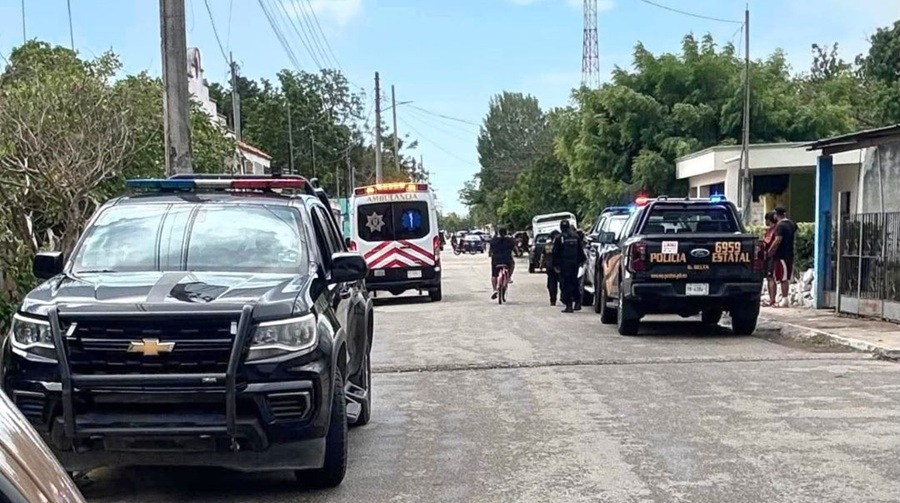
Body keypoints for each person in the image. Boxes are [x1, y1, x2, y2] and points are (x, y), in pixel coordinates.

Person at [552, 220, 586, 313]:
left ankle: (569, 305)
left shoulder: (559, 238)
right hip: (574, 265)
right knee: (574, 283)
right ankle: (578, 302)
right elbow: (580, 251)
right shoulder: (576, 236)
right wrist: (581, 262)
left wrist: (555, 265)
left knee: (565, 285)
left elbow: (555, 252)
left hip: (564, 266)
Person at [767, 206, 796, 308]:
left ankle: (784, 299)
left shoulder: (780, 226)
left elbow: (777, 240)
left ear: (776, 214)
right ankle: (784, 298)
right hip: (790, 253)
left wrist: (770, 251)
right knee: (785, 276)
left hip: (781, 255)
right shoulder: (792, 224)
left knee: (783, 277)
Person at [489, 227, 516, 299]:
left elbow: (490, 251)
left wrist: (491, 254)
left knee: (494, 274)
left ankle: (494, 289)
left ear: (499, 233)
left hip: (496, 260)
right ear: (506, 233)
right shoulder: (510, 241)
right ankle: (509, 277)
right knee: (513, 264)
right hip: (507, 260)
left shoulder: (494, 240)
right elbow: (514, 249)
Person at [762, 211, 778, 306]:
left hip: (771, 256)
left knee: (770, 277)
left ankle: (772, 300)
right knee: (769, 278)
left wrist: (768, 253)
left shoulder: (773, 231)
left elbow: (768, 243)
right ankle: (771, 299)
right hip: (768, 256)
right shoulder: (770, 230)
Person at [541, 230, 561, 305]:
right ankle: (565, 298)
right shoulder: (561, 244)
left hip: (550, 266)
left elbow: (543, 255)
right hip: (559, 266)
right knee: (562, 283)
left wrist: (541, 265)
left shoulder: (547, 245)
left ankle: (553, 300)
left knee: (551, 284)